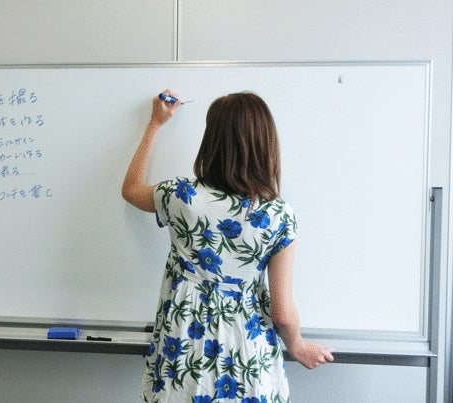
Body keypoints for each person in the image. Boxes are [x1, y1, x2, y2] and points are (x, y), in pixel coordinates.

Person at [122, 90, 334, 402]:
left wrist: (155, 123)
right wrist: (297, 345)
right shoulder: (278, 216)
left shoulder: (181, 196)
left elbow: (131, 189)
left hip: (184, 357)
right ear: (265, 144)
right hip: (248, 361)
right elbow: (282, 313)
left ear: (212, 141)